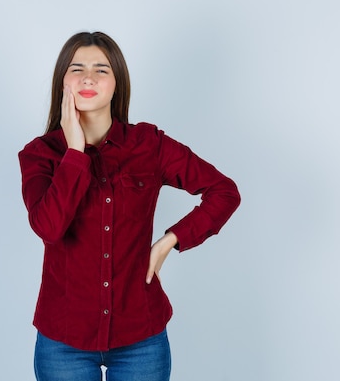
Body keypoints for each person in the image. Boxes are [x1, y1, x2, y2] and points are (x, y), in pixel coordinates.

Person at [18, 31, 241, 381]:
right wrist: (75, 154)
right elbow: (49, 227)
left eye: (101, 69)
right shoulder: (40, 155)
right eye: (77, 69)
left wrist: (171, 240)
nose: (88, 77)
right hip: (64, 340)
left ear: (117, 83)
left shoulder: (148, 145)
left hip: (141, 337)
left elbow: (223, 191)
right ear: (62, 83)